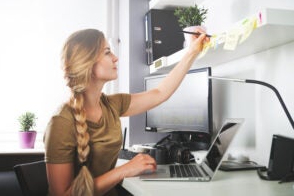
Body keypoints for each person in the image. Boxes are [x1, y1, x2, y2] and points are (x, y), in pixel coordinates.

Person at [44, 28, 209, 196]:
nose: (116, 58)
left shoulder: (111, 104)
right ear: (88, 62)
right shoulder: (61, 123)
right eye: (108, 52)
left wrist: (192, 52)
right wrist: (123, 170)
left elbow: (160, 93)